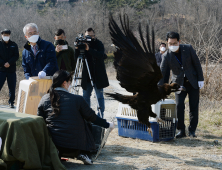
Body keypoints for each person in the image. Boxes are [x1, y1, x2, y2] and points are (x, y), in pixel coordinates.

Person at [37, 70, 114, 165]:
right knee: (86, 122)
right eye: (69, 82)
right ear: (64, 83)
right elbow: (93, 117)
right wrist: (108, 124)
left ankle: (55, 153)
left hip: (54, 144)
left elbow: (39, 121)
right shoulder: (77, 99)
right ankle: (83, 153)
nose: (70, 85)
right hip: (76, 145)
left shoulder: (44, 98)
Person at [159, 32, 204, 138]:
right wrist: (160, 88)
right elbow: (162, 72)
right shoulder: (166, 55)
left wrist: (200, 79)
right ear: (167, 42)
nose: (172, 45)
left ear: (179, 42)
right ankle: (181, 130)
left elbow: (197, 63)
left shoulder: (188, 49)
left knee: (194, 107)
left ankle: (192, 130)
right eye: (170, 43)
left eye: (174, 43)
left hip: (193, 82)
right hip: (177, 84)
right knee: (179, 106)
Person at [75, 28, 109, 118]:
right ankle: (87, 116)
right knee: (85, 96)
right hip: (87, 75)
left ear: (94, 36)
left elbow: (101, 55)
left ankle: (100, 116)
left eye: (91, 35)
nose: (89, 37)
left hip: (98, 75)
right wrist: (76, 48)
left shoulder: (99, 43)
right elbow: (76, 58)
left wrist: (89, 49)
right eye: (87, 36)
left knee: (99, 96)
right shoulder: (82, 44)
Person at [0, 29, 19, 108]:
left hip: (11, 70)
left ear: (9, 35)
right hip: (1, 69)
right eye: (4, 35)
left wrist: (9, 63)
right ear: (1, 35)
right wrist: (3, 63)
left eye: (7, 35)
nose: (6, 36)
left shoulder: (14, 44)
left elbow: (16, 55)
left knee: (12, 87)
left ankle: (11, 102)